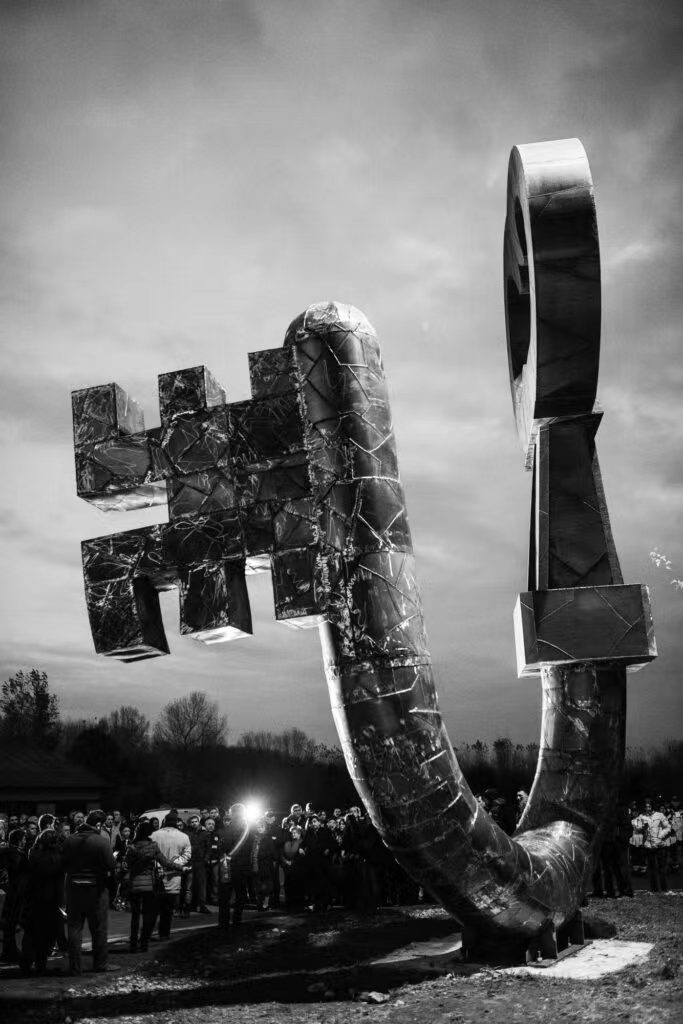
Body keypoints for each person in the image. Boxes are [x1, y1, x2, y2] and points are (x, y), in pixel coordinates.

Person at [61, 809, 117, 975]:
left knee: (74, 927)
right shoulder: (100, 842)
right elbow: (111, 865)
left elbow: (63, 863)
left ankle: (75, 967)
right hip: (96, 889)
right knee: (99, 928)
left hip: (74, 888)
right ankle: (100, 964)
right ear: (98, 824)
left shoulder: (70, 840)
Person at [124, 820, 179, 953]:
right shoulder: (153, 846)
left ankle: (133, 945)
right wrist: (180, 867)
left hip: (135, 885)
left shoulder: (132, 847)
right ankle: (144, 943)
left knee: (135, 917)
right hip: (149, 885)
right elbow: (165, 862)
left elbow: (127, 865)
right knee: (149, 915)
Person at [19, 829, 64, 975]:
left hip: (35, 899)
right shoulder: (58, 858)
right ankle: (41, 965)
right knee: (45, 935)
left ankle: (26, 963)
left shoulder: (34, 855)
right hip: (51, 901)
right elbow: (59, 882)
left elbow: (29, 879)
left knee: (30, 933)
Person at [150, 811, 191, 940]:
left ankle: (148, 933)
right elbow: (187, 855)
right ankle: (164, 934)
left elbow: (149, 853)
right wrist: (175, 863)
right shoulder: (184, 836)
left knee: (153, 908)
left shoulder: (154, 835)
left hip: (156, 875)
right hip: (174, 875)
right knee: (168, 909)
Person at [217, 804, 252, 929]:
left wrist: (226, 855)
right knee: (240, 895)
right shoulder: (248, 826)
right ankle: (237, 920)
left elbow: (223, 845)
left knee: (225, 896)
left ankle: (223, 922)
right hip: (242, 866)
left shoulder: (229, 827)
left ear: (234, 812)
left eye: (230, 812)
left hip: (228, 864)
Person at [636, 797, 672, 892]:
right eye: (646, 807)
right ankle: (654, 889)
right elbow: (637, 828)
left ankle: (664, 888)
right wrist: (642, 827)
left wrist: (660, 836)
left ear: (652, 806)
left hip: (660, 845)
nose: (648, 808)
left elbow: (668, 827)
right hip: (649, 845)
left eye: (649, 806)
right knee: (651, 868)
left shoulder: (659, 815)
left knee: (661, 867)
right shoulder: (641, 816)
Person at [186, 814, 210, 915]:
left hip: (200, 862)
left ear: (198, 821)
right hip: (191, 861)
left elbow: (208, 848)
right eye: (192, 822)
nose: (194, 823)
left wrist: (206, 859)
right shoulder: (187, 834)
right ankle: (192, 905)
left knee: (201, 884)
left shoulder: (205, 833)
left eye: (195, 821)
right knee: (191, 885)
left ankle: (202, 905)